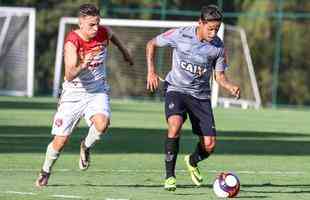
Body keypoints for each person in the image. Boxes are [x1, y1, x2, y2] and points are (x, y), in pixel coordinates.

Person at [35, 3, 133, 188]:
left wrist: (125, 53)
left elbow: (113, 36)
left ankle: (85, 147)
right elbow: (69, 74)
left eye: (97, 23)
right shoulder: (72, 42)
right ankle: (45, 170)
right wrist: (83, 64)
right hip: (73, 93)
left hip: (97, 91)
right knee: (61, 140)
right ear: (81, 23)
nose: (96, 28)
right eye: (91, 25)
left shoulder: (103, 32)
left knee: (102, 124)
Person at [146, 5, 240, 191]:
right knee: (175, 125)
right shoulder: (180, 35)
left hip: (200, 97)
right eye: (210, 28)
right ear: (200, 23)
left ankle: (192, 160)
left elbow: (219, 76)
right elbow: (151, 44)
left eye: (217, 29)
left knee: (210, 145)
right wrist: (151, 71)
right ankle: (170, 176)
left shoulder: (218, 48)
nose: (214, 33)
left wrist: (230, 86)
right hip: (176, 89)